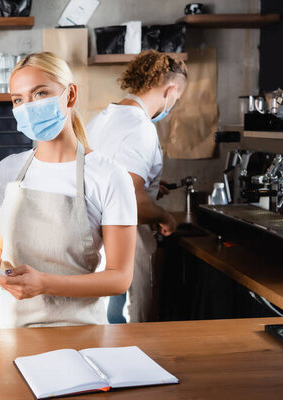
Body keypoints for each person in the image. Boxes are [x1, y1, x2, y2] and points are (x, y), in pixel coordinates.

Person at [0, 51, 138, 328]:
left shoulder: (110, 176)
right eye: (18, 99)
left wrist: (46, 284)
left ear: (70, 95)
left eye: (40, 94)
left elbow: (120, 278)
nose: (28, 106)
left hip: (81, 333)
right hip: (12, 329)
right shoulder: (8, 171)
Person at [87, 50, 188, 323]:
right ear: (171, 90)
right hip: (125, 246)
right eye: (176, 99)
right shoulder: (140, 128)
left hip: (96, 245)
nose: (173, 105)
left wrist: (152, 184)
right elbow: (131, 199)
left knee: (104, 329)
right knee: (131, 332)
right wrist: (163, 216)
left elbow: (111, 178)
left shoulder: (102, 119)